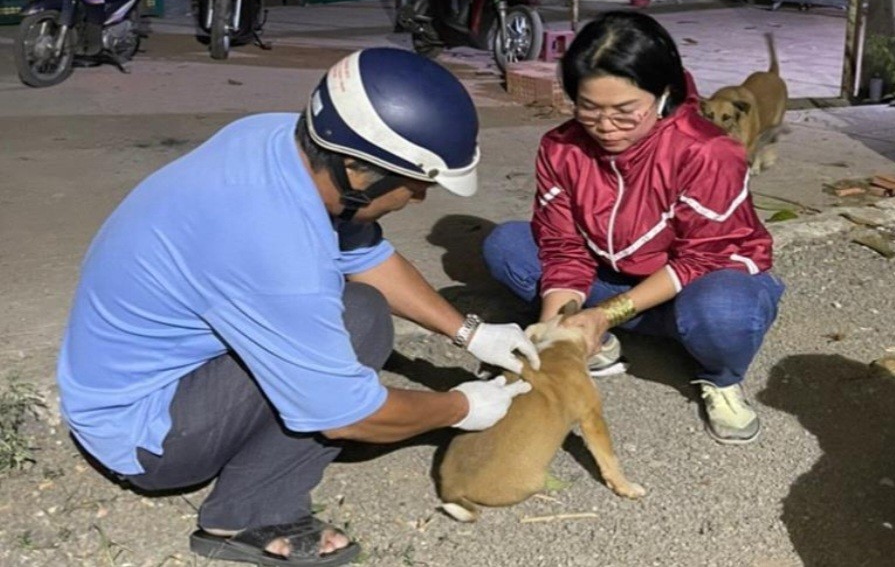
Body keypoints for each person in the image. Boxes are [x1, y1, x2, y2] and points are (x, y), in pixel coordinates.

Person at [57, 47, 540, 567]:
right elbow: (347, 415)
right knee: (359, 325)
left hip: (135, 378)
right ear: (358, 170)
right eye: (416, 184)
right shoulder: (272, 246)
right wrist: (460, 407)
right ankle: (246, 514)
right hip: (146, 434)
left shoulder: (279, 140)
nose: (419, 199)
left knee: (360, 309)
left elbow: (364, 252)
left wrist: (470, 332)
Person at [482, 11, 785, 446]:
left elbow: (703, 257)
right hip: (613, 279)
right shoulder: (560, 148)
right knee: (508, 246)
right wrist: (555, 339)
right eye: (588, 109)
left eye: (626, 112)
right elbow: (563, 246)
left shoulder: (709, 152)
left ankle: (720, 377)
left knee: (723, 312)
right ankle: (594, 340)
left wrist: (604, 312)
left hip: (699, 284)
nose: (605, 127)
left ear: (663, 95)